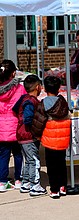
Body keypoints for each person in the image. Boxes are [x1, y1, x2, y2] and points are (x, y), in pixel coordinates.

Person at [31, 76, 71, 199]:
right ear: (58, 89)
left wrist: (36, 135)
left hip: (49, 140)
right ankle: (63, 186)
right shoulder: (63, 102)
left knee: (52, 166)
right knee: (61, 164)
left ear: (45, 89)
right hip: (63, 140)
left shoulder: (43, 104)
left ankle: (54, 190)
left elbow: (38, 123)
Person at [12, 74, 47, 196]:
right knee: (34, 161)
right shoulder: (30, 102)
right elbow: (28, 118)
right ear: (38, 87)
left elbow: (15, 109)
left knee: (28, 161)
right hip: (28, 136)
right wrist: (35, 130)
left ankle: (26, 183)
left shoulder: (23, 98)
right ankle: (35, 185)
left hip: (21, 135)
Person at [0, 59, 26, 192]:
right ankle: (18, 180)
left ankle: (2, 182)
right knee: (18, 154)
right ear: (14, 73)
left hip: (1, 128)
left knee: (3, 155)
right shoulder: (20, 88)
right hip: (16, 126)